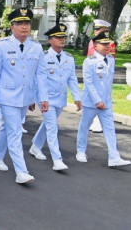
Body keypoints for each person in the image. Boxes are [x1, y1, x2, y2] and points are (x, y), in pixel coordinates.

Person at [0, 7, 49, 184]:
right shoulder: (2, 45)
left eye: (27, 23)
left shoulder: (36, 47)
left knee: (8, 128)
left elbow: (41, 75)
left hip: (25, 97)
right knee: (15, 131)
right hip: (7, 96)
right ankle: (21, 171)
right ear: (12, 26)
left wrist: (41, 98)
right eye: (20, 23)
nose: (24, 27)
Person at [29, 24, 82, 171]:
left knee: (48, 124)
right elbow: (40, 79)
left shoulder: (68, 58)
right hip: (46, 98)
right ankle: (57, 160)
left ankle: (35, 146)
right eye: (58, 37)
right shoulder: (44, 57)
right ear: (50, 40)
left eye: (63, 37)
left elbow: (72, 79)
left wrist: (77, 97)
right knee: (52, 127)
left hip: (60, 98)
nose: (62, 40)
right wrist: (40, 99)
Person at [76, 30, 131, 167]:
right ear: (95, 45)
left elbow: (108, 83)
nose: (107, 46)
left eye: (108, 43)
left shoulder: (111, 60)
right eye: (103, 44)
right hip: (91, 102)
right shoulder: (89, 62)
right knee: (84, 127)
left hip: (106, 102)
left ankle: (114, 157)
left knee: (110, 129)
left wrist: (106, 100)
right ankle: (81, 151)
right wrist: (97, 101)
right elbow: (88, 83)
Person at [86, 19, 116, 133]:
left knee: (102, 98)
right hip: (93, 72)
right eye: (95, 29)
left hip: (103, 75)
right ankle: (94, 121)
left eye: (98, 29)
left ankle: (99, 123)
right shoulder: (91, 42)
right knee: (92, 97)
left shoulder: (110, 43)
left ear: (104, 29)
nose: (96, 31)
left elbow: (110, 61)